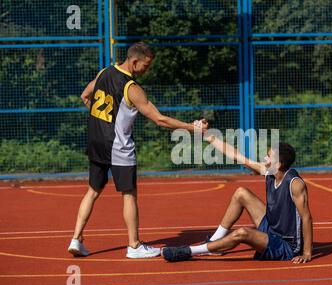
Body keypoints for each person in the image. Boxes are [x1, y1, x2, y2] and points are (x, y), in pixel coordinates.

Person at [68, 42, 208, 259]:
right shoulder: (131, 87)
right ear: (134, 61)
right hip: (117, 146)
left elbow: (85, 96)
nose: (147, 70)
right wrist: (193, 127)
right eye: (146, 65)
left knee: (93, 190)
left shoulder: (104, 72)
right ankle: (134, 246)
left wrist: (103, 122)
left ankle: (76, 239)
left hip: (96, 142)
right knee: (129, 195)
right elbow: (160, 119)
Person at [162, 134, 313, 263]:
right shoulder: (269, 171)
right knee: (241, 193)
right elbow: (237, 156)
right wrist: (209, 136)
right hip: (272, 227)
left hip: (286, 244)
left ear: (278, 164)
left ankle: (189, 251)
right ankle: (213, 243)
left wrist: (306, 252)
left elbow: (306, 217)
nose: (264, 157)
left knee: (242, 232)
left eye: (268, 156)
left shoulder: (295, 184)